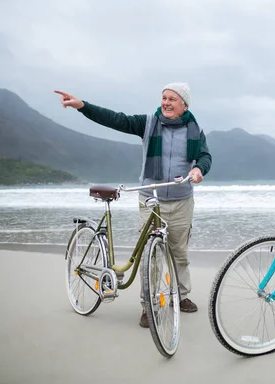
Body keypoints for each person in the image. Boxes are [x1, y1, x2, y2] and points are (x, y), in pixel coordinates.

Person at [54, 83, 212, 326]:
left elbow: (204, 156)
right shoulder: (148, 123)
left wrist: (200, 169)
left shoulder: (195, 129)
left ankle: (180, 296)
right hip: (151, 198)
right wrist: (82, 106)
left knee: (180, 254)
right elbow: (116, 119)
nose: (166, 103)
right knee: (153, 256)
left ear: (184, 105)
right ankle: (148, 306)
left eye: (172, 99)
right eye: (164, 98)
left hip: (182, 200)